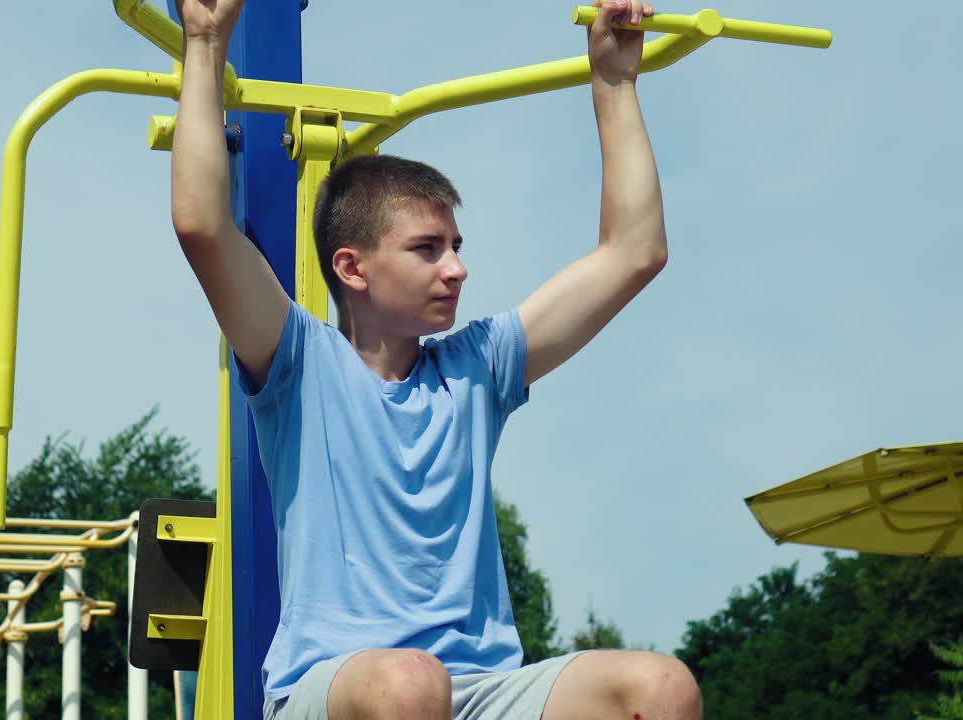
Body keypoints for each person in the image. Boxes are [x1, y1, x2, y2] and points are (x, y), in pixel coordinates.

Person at [170, 0, 702, 717]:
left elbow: (635, 253)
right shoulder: (300, 363)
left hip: (475, 689)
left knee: (661, 688)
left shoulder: (476, 368)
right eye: (428, 249)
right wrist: (205, 42)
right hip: (335, 688)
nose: (456, 269)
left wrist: (613, 82)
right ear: (353, 269)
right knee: (410, 682)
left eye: (457, 247)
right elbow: (204, 227)